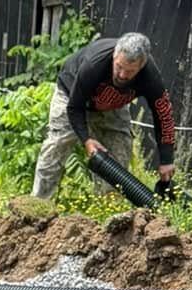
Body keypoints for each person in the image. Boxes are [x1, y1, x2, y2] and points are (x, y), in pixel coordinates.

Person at [32, 31, 176, 200]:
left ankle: (107, 208)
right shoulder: (94, 63)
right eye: (119, 67)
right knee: (58, 144)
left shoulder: (151, 78)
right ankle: (38, 203)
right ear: (115, 55)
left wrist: (167, 159)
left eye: (130, 71)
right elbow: (74, 107)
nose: (122, 75)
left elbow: (164, 116)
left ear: (141, 66)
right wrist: (87, 140)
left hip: (112, 103)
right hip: (72, 95)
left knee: (120, 150)